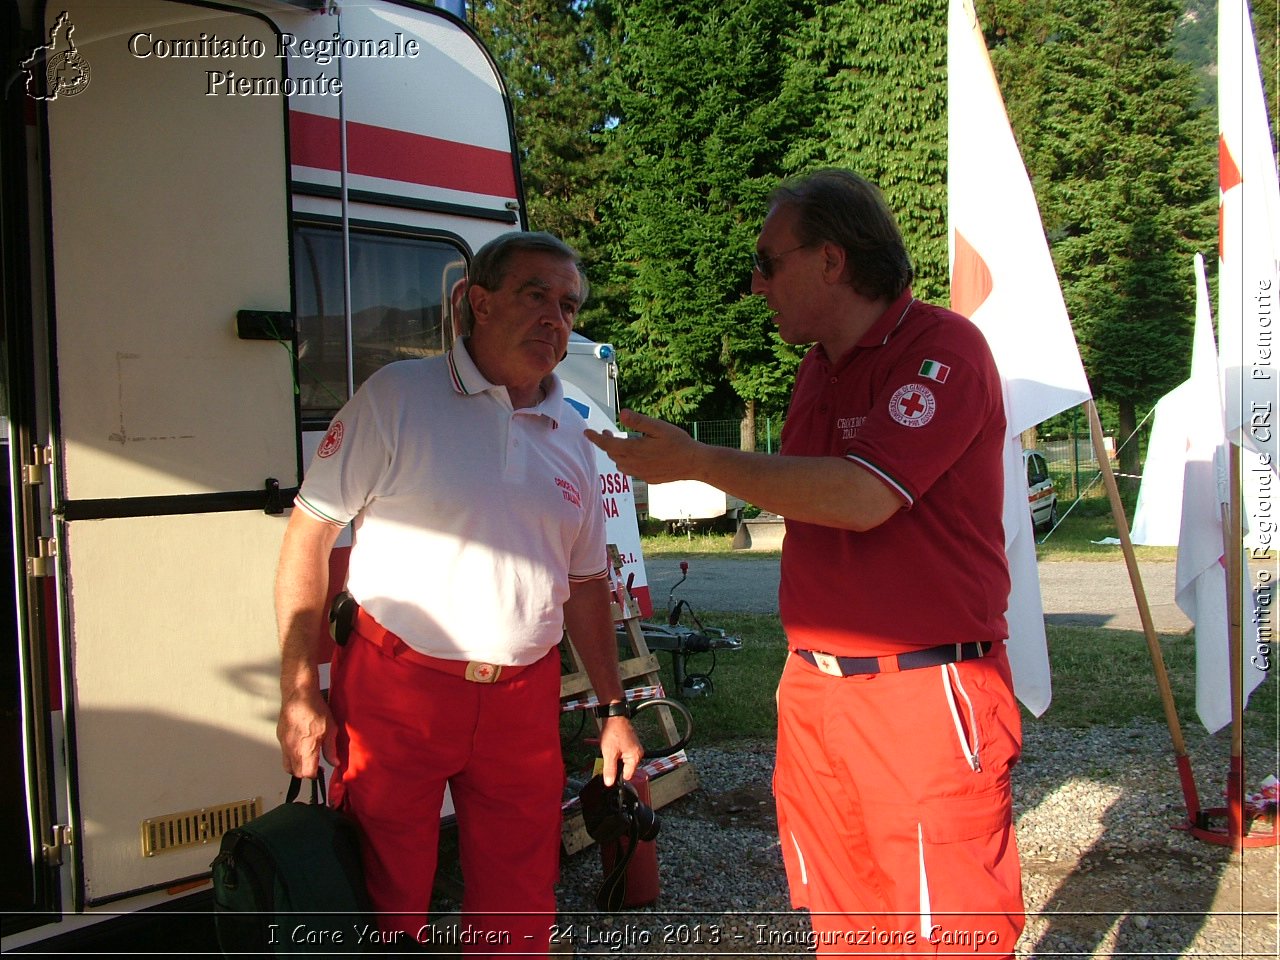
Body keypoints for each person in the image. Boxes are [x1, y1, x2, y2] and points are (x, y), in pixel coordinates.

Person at [586, 170, 1024, 956]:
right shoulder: (815, 368)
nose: (757, 285)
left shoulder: (942, 347)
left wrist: (698, 461)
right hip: (816, 689)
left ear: (831, 259)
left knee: (946, 927)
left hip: (922, 691)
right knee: (840, 920)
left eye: (767, 260)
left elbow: (861, 496)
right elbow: (818, 502)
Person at [275, 231, 643, 954]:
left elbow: (587, 585)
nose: (555, 319)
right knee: (387, 902)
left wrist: (613, 708)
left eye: (568, 305)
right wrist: (297, 687)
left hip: (521, 702)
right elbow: (308, 534)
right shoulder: (397, 398)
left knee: (518, 903)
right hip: (396, 691)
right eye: (535, 295)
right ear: (477, 301)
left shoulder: (574, 433)